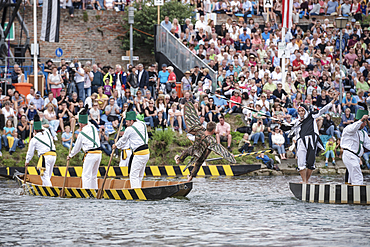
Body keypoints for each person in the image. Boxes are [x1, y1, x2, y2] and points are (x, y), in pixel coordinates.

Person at [175, 102, 236, 182]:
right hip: (201, 154)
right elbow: (219, 149)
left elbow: (191, 126)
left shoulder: (199, 130)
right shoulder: (211, 140)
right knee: (198, 163)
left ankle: (179, 159)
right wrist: (228, 155)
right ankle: (190, 177)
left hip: (194, 149)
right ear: (213, 130)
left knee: (188, 150)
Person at [291, 93, 337, 183]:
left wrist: (332, 101)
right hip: (301, 142)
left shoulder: (311, 116)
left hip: (312, 141)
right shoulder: (296, 121)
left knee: (311, 163)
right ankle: (304, 181)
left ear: (305, 111)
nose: (301, 113)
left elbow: (323, 110)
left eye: (302, 111)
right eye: (299, 111)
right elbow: (293, 130)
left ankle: (306, 181)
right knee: (300, 163)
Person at [67, 105, 102, 189]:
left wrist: (70, 155)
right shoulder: (93, 127)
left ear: (81, 124)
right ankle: (95, 191)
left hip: (90, 154)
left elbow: (77, 148)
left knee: (86, 175)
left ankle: (87, 193)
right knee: (93, 175)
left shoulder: (81, 133)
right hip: (99, 153)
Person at [113, 111, 150, 188]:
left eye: (127, 122)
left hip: (139, 154)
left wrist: (116, 145)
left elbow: (123, 140)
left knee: (133, 175)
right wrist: (125, 114)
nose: (126, 124)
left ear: (132, 121)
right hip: (146, 153)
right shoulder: (142, 124)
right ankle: (139, 189)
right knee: (140, 175)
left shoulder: (129, 129)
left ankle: (136, 193)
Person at [25, 114, 56, 186]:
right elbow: (42, 128)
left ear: (34, 130)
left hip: (45, 157)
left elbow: (30, 152)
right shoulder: (47, 132)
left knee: (44, 176)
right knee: (48, 176)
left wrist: (27, 161)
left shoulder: (34, 140)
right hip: (53, 155)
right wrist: (36, 122)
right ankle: (45, 189)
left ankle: (50, 192)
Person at [341, 110, 370, 185]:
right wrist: (361, 120)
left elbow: (368, 145)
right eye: (364, 121)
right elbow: (353, 128)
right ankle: (359, 194)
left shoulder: (363, 133)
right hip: (349, 154)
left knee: (351, 178)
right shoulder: (349, 128)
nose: (365, 123)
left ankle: (350, 192)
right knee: (357, 176)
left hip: (356, 157)